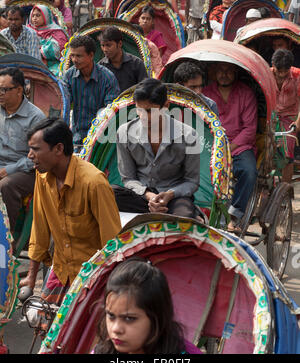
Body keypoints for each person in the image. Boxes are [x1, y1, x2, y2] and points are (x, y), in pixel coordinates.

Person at [19, 119, 121, 304]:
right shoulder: (42, 176)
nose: (30, 155)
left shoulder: (94, 182)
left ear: (58, 149)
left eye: (36, 149)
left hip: (93, 275)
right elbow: (39, 229)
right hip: (61, 270)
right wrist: (31, 277)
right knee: (43, 326)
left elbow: (111, 241)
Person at [113, 78, 200, 218]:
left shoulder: (189, 135)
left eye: (149, 111)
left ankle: (189, 212)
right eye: (139, 110)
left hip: (173, 198)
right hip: (141, 196)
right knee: (108, 194)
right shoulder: (124, 132)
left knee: (184, 215)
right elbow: (128, 178)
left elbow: (192, 181)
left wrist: (170, 194)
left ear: (165, 105)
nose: (143, 116)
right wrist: (149, 196)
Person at [92, 258, 201, 354]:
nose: (116, 329)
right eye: (111, 316)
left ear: (157, 318)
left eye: (129, 318)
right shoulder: (102, 351)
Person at [203, 63, 258, 233]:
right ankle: (204, 210)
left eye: (228, 71)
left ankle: (235, 214)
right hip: (211, 144)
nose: (224, 74)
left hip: (239, 145)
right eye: (220, 70)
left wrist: (228, 148)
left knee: (249, 172)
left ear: (235, 73)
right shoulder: (206, 93)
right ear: (214, 72)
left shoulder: (246, 93)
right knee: (201, 171)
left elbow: (249, 128)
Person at [0, 67, 45, 233]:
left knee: (6, 185)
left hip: (27, 171)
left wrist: (7, 170)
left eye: (4, 90)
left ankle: (6, 239)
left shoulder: (35, 117)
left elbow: (37, 157)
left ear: (19, 90)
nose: (0, 93)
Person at [62, 35, 119, 149]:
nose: (74, 60)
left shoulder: (107, 77)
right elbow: (63, 103)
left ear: (91, 55)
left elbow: (110, 111)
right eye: (72, 55)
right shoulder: (69, 75)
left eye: (79, 56)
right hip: (76, 135)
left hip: (102, 136)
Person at [271, 49, 300, 183]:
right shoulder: (266, 74)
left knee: (287, 155)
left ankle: (285, 190)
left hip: (289, 117)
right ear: (273, 65)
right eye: (279, 71)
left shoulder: (297, 76)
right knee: (265, 151)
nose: (282, 74)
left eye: (285, 71)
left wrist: (298, 122)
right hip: (270, 116)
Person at [98, 26, 148, 93]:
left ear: (120, 44)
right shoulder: (100, 67)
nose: (105, 49)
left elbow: (145, 90)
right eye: (103, 45)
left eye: (108, 45)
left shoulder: (136, 63)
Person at [27, 4, 68, 75]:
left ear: (46, 16)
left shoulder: (56, 31)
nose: (34, 18)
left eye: (38, 15)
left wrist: (40, 51)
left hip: (52, 64)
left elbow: (59, 49)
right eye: (33, 16)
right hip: (32, 62)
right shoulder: (28, 30)